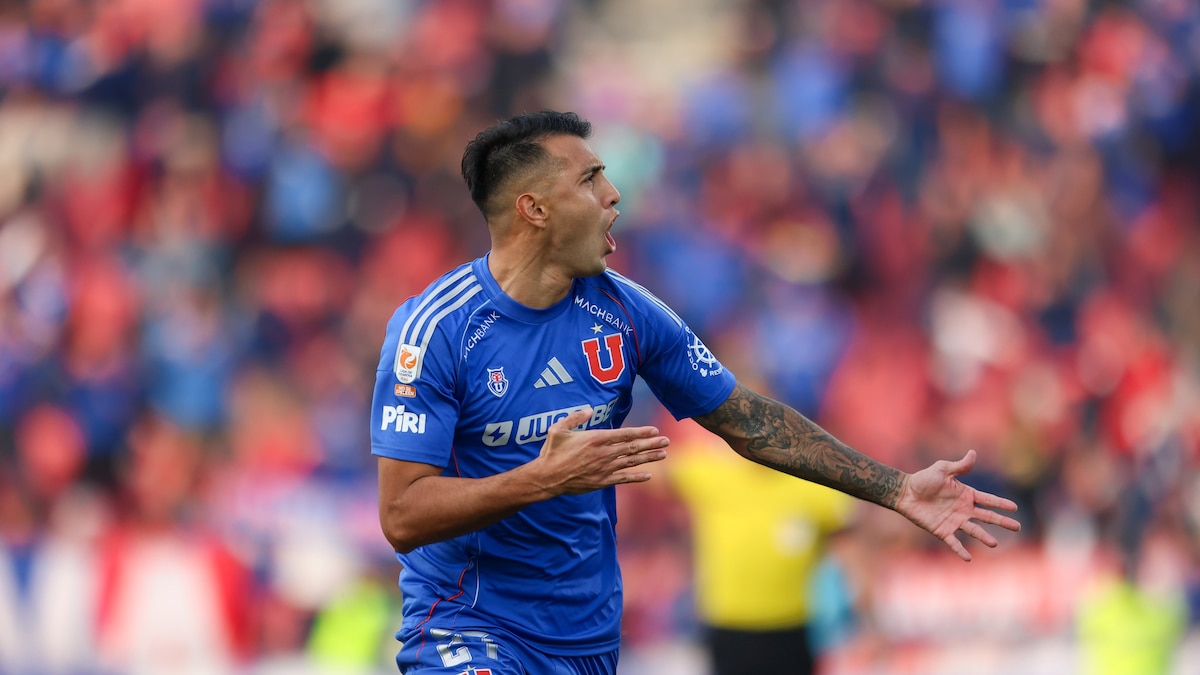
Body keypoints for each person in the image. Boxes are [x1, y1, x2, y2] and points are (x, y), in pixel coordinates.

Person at [370, 110, 1020, 675]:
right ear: (534, 209)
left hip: (584, 638)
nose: (615, 194)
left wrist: (897, 488)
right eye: (590, 180)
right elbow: (403, 515)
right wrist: (539, 480)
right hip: (466, 623)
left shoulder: (625, 314)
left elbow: (749, 421)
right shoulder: (436, 331)